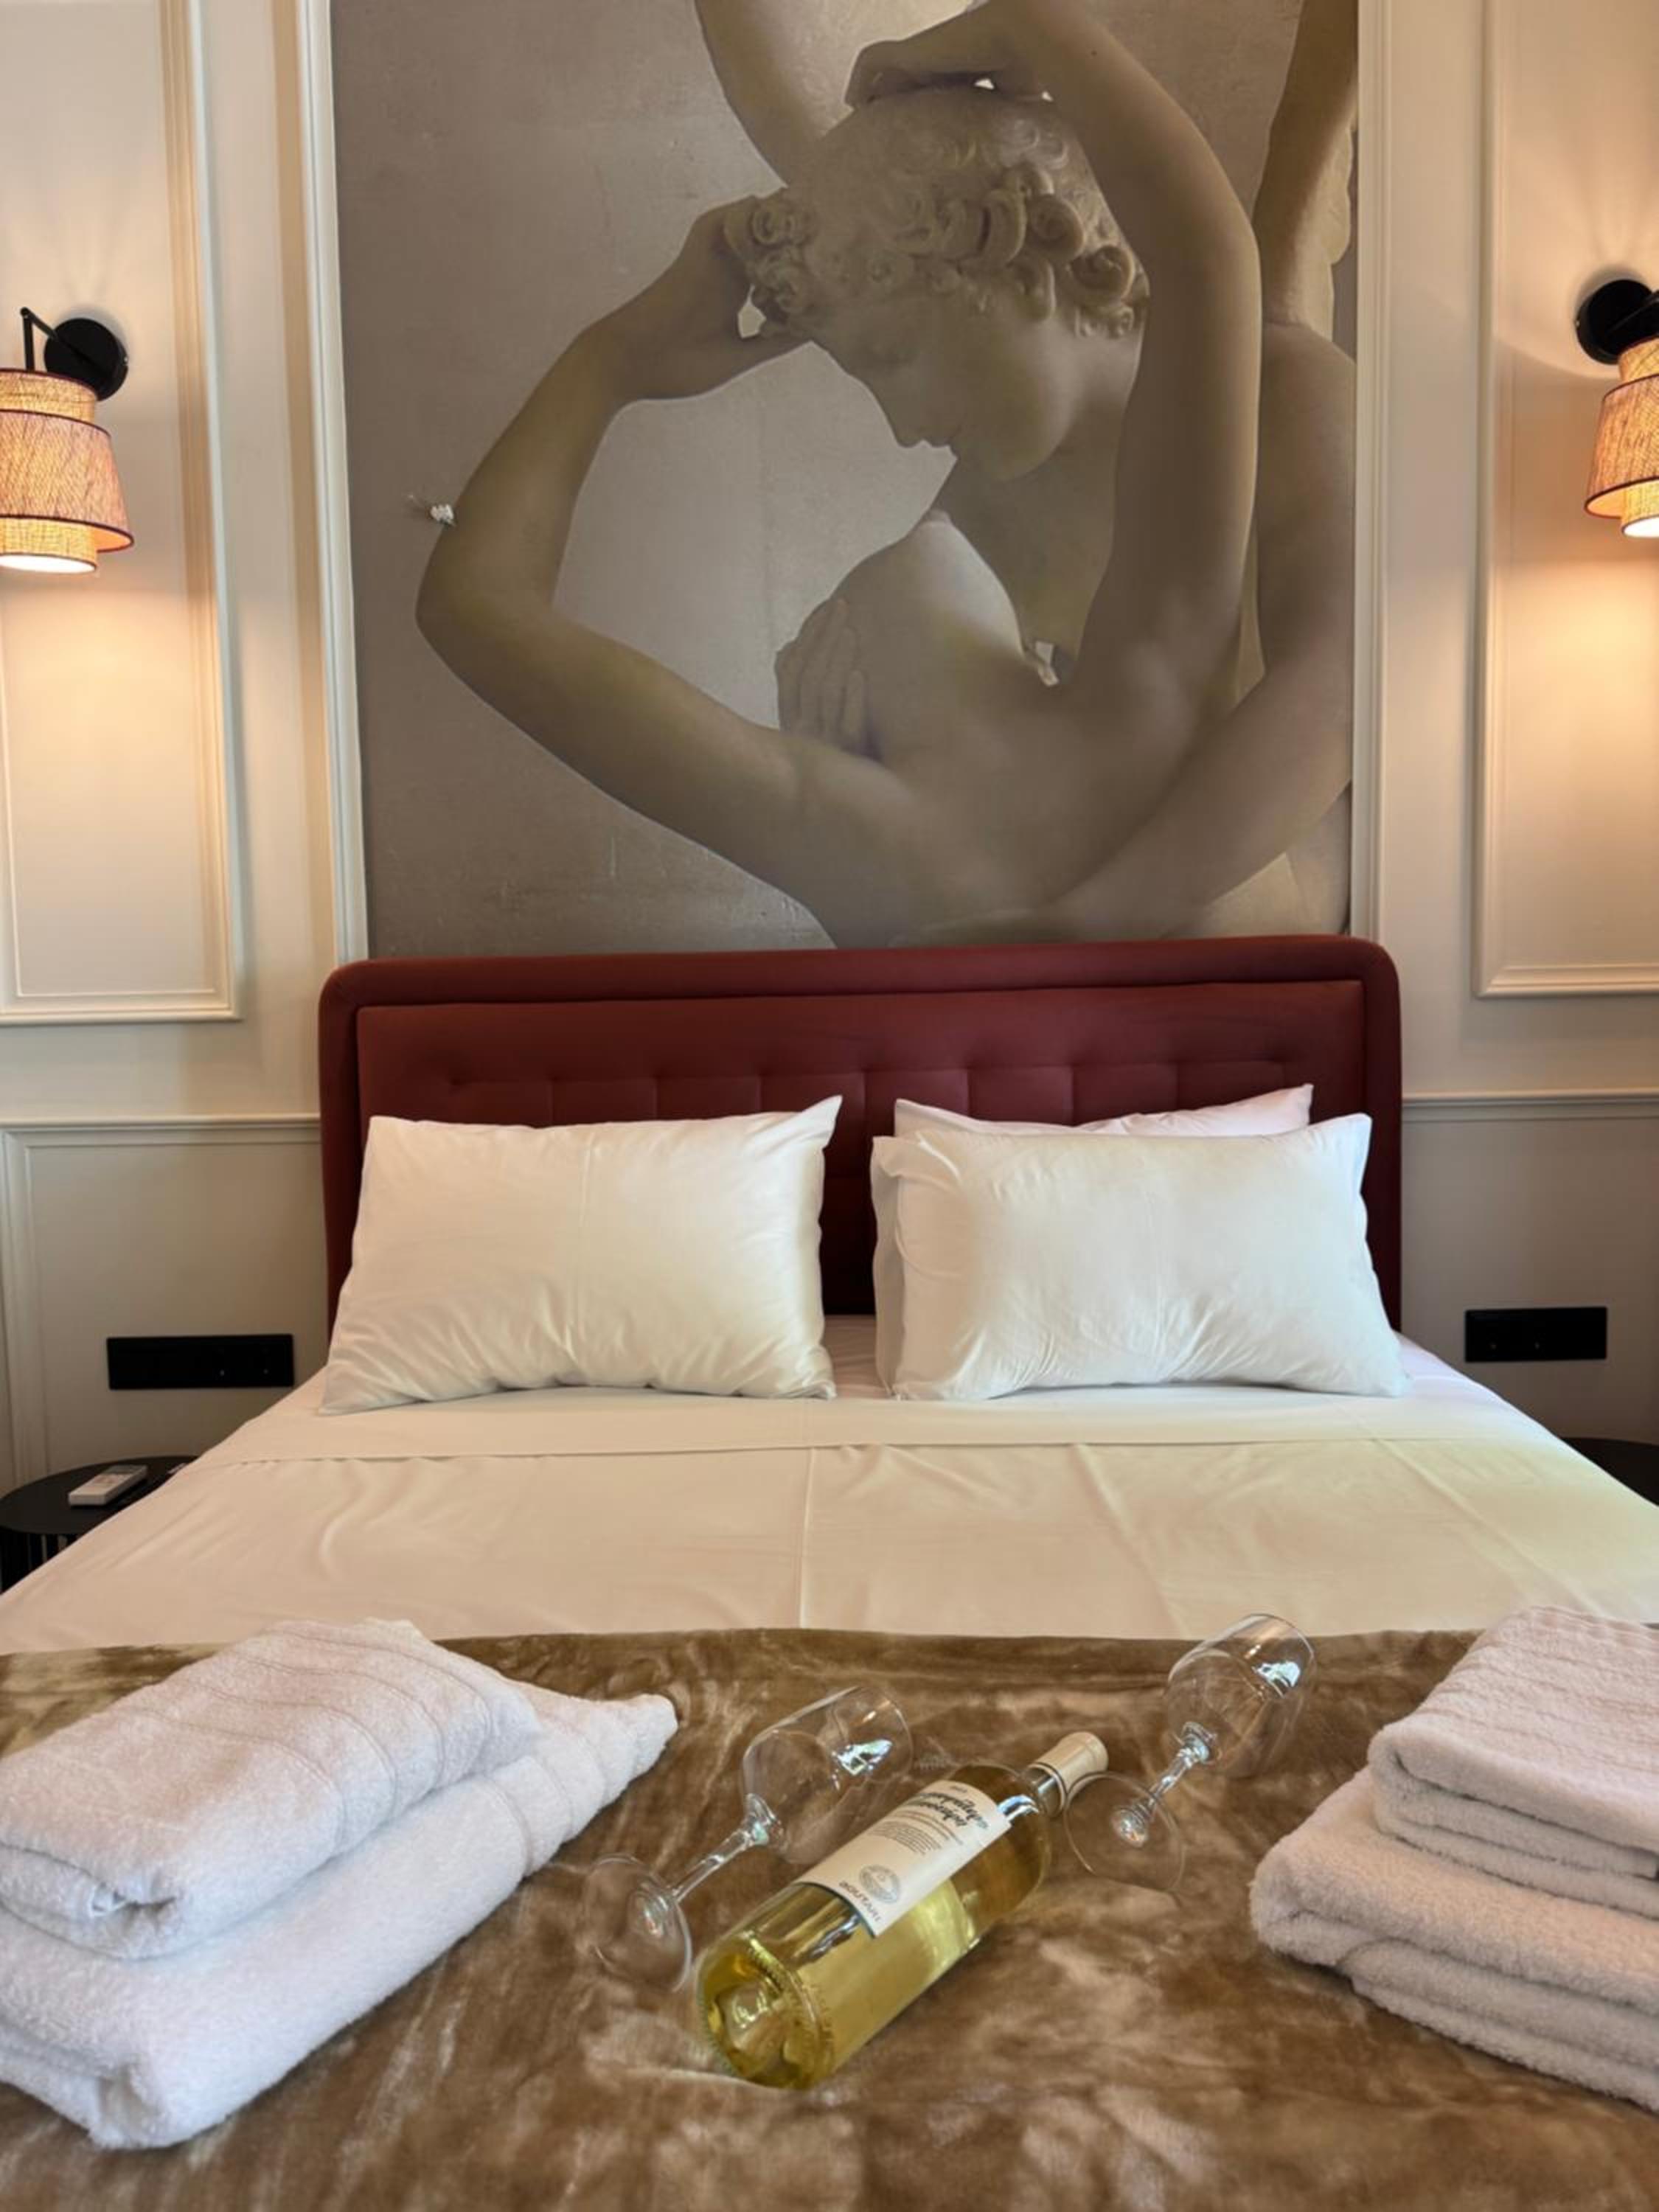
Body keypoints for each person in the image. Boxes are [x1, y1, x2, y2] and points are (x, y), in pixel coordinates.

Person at [418, 0, 1348, 946]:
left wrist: (609, 361)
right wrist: (1030, 30)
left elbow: (475, 609)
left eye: (893, 357)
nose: (905, 432)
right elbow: (1208, 252)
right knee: (1275, 303)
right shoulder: (1139, 703)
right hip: (1253, 916)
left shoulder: (834, 831)